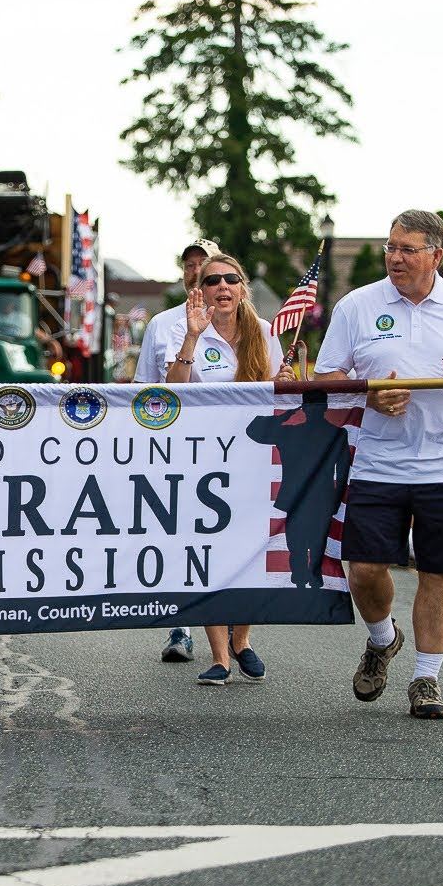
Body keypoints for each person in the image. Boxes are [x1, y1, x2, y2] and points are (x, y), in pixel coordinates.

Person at [314, 209, 443, 720]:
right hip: (380, 464)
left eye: (407, 249)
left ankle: (427, 679)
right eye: (390, 247)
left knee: (437, 572)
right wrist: (370, 398)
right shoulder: (358, 306)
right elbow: (327, 380)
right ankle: (383, 639)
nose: (394, 257)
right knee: (363, 570)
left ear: (436, 255)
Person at [163, 255, 282, 686]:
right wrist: (193, 338)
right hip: (203, 461)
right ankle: (219, 656)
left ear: (242, 287)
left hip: (251, 457)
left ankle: (242, 639)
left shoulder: (265, 334)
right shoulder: (189, 331)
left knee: (250, 554)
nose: (223, 286)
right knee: (207, 552)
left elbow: (277, 396)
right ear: (203, 290)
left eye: (232, 278)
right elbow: (172, 392)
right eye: (213, 280)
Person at [136, 237, 217, 663]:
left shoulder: (242, 323)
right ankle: (181, 626)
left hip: (226, 448)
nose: (195, 270)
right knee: (176, 532)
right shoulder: (161, 324)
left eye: (204, 263)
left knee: (222, 536)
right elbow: (141, 388)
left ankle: (235, 638)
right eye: (189, 264)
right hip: (173, 446)